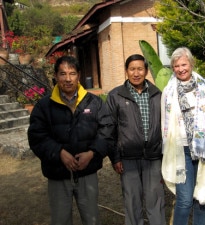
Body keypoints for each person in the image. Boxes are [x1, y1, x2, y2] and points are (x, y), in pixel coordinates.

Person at [28, 56, 113, 225]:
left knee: (92, 219)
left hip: (87, 173)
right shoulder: (44, 106)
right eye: (63, 74)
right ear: (55, 76)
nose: (68, 79)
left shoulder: (94, 102)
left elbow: (107, 130)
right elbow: (37, 136)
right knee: (61, 220)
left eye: (72, 73)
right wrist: (59, 152)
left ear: (79, 75)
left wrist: (92, 153)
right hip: (58, 174)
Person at [106, 54, 166, 225]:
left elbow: (165, 127)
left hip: (154, 157)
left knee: (156, 200)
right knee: (132, 202)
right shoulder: (116, 95)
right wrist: (115, 157)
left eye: (140, 69)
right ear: (126, 71)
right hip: (128, 158)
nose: (136, 73)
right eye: (132, 69)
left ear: (146, 71)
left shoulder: (157, 95)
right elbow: (109, 130)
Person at [161, 47, 205, 225]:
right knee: (184, 201)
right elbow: (164, 124)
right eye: (176, 66)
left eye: (184, 64)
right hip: (180, 149)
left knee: (201, 198)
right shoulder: (168, 92)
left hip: (204, 150)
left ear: (191, 64)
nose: (180, 69)